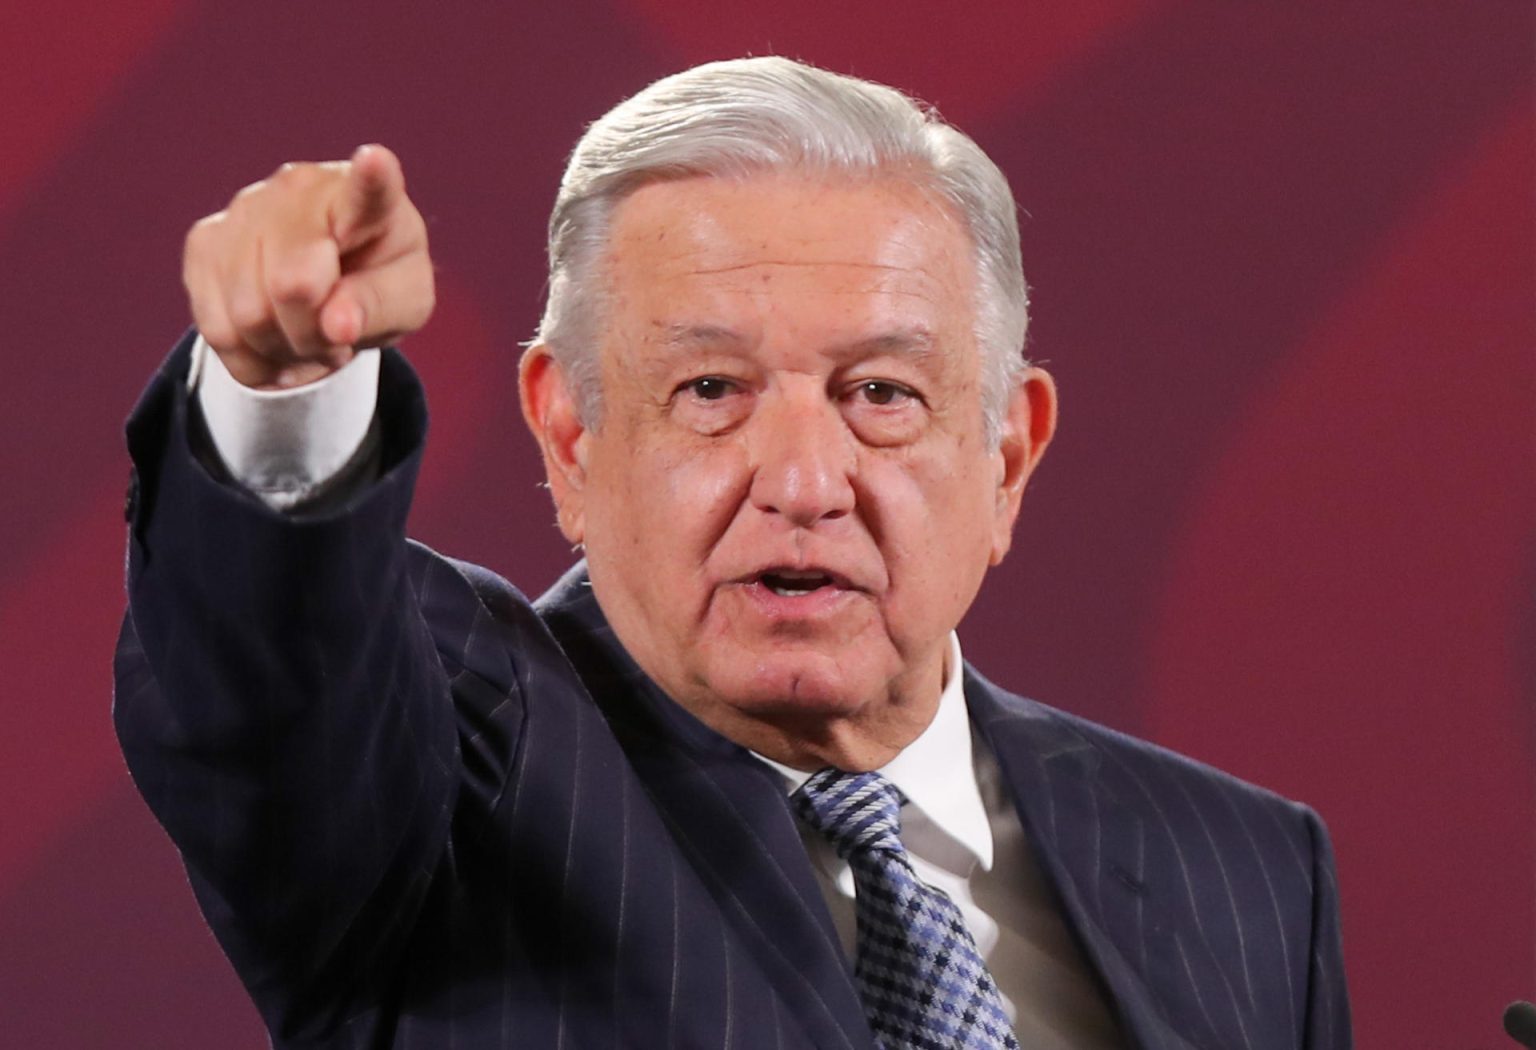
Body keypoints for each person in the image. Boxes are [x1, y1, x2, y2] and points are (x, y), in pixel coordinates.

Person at [115, 57, 1351, 1049]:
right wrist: (280, 389)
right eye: (711, 389)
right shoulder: (454, 762)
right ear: (570, 436)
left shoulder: (1243, 868)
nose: (804, 483)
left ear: (1007, 457)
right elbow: (269, 680)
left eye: (882, 393)